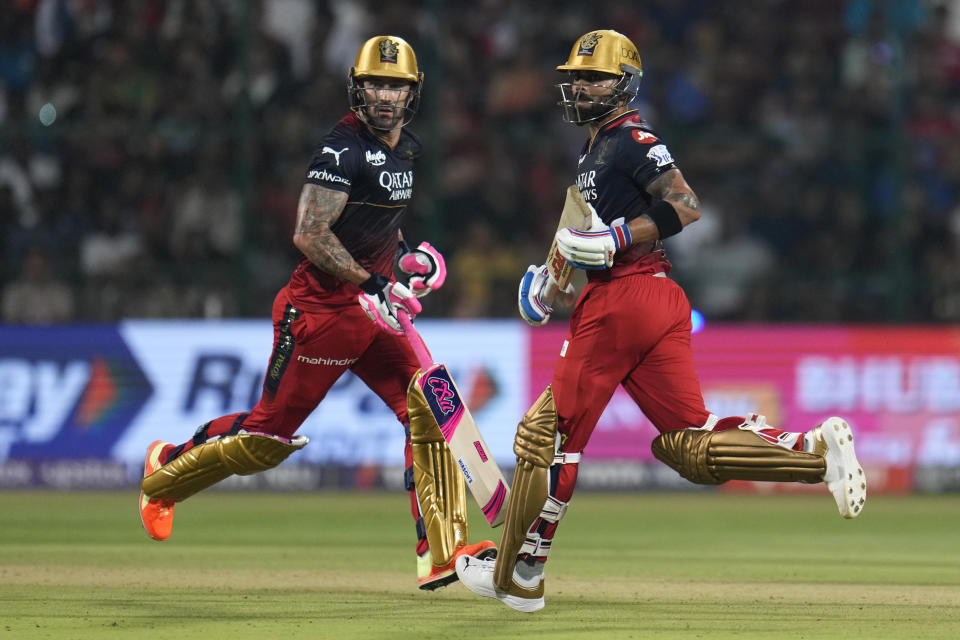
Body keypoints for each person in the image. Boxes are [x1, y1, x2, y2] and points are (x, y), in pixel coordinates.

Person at [455, 29, 866, 612]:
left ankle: (519, 575)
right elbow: (582, 238)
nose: (580, 87)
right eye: (576, 77)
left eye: (594, 77)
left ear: (624, 83)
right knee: (688, 445)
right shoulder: (595, 150)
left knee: (544, 439)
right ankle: (815, 453)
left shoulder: (629, 138)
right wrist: (550, 284)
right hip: (647, 299)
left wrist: (620, 236)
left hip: (623, 301)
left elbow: (684, 204)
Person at [138, 35, 494, 591]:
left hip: (373, 314)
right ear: (357, 87)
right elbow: (309, 232)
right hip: (320, 313)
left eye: (396, 86)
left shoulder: (407, 149)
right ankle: (164, 473)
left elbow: (379, 222)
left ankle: (443, 553)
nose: (384, 96)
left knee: (428, 405)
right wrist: (371, 281)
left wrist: (410, 258)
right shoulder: (340, 150)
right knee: (265, 439)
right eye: (375, 83)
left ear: (412, 94)